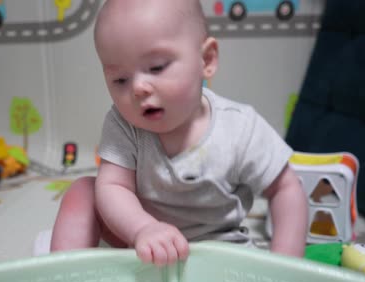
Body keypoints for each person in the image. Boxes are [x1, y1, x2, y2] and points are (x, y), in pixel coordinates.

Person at [49, 0, 308, 266]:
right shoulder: (123, 124)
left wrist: (285, 263)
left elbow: (286, 189)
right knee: (83, 191)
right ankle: (66, 272)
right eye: (120, 80)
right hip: (142, 243)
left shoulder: (240, 128)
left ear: (206, 60)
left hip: (221, 249)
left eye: (157, 67)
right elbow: (114, 187)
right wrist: (142, 229)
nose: (138, 87)